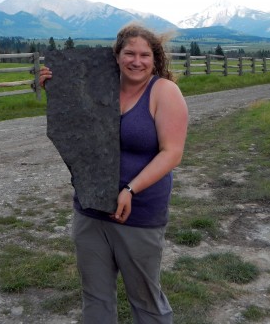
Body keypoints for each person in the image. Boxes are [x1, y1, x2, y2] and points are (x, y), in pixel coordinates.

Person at [39, 24, 188, 324]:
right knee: (95, 296)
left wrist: (130, 190)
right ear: (117, 56)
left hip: (140, 214)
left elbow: (171, 152)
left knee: (146, 301)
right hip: (91, 207)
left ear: (155, 58)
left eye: (144, 55)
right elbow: (76, 131)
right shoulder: (99, 86)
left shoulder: (164, 92)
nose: (137, 61)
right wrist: (58, 89)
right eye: (129, 53)